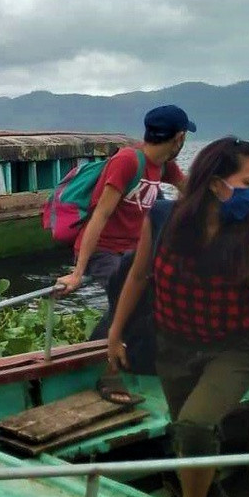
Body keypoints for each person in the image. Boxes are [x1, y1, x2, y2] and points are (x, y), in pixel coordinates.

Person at [107, 137, 249, 497]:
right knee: (188, 436)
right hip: (174, 345)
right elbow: (138, 276)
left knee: (194, 425)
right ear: (216, 184)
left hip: (234, 349)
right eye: (248, 183)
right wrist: (115, 331)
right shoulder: (162, 220)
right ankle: (212, 493)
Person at [57, 104, 191, 404]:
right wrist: (78, 273)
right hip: (103, 250)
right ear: (179, 138)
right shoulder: (128, 161)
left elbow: (191, 191)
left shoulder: (165, 166)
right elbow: (100, 215)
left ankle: (128, 355)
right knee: (128, 300)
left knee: (155, 293)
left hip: (133, 250)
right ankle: (104, 369)